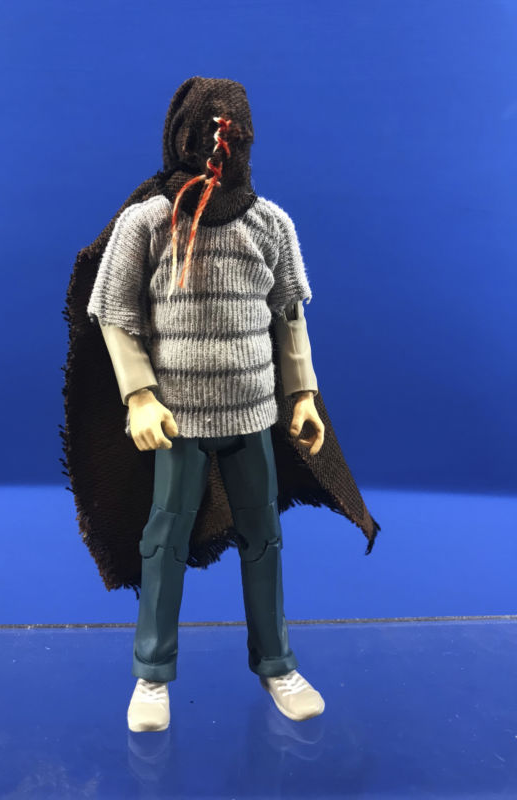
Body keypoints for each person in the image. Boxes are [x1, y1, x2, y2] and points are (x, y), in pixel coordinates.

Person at [62, 76, 381, 733]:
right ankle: (152, 673)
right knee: (164, 538)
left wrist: (303, 395)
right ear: (181, 138)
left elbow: (289, 316)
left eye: (231, 136)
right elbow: (115, 315)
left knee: (263, 536)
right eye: (206, 134)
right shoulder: (147, 223)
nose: (218, 147)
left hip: (253, 417)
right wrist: (140, 396)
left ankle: (277, 663)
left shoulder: (270, 225)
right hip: (177, 421)